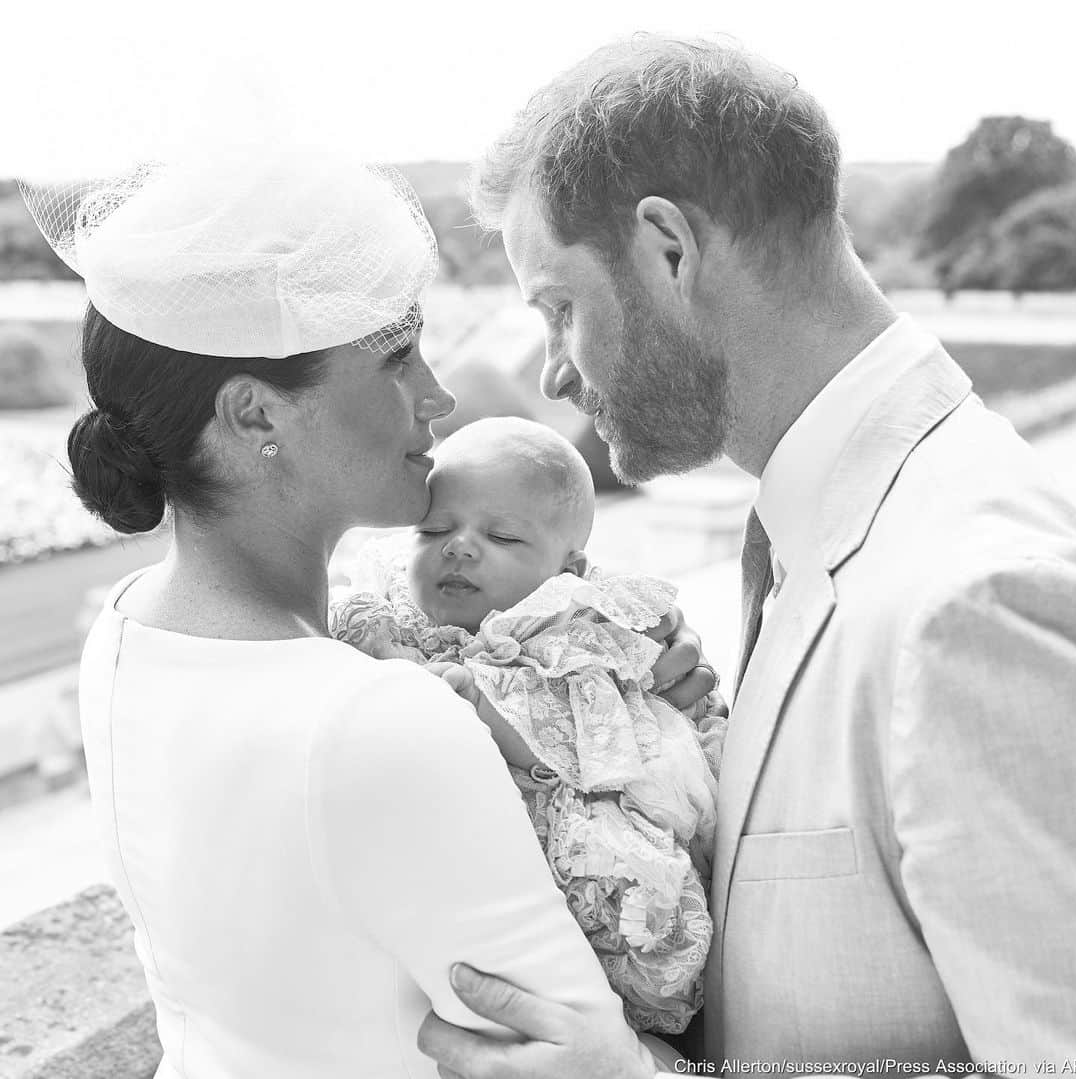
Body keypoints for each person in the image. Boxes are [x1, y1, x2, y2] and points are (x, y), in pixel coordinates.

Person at [416, 34, 1076, 1076]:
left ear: (668, 249)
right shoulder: (835, 530)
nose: (549, 373)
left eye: (559, 307)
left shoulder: (973, 597)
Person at [22, 151, 712, 1076]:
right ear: (254, 413)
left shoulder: (127, 628)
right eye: (396, 360)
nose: (437, 395)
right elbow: (592, 1053)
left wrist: (603, 667)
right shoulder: (385, 715)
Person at [331, 417, 729, 1035]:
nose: (459, 546)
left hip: (566, 832)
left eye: (503, 536)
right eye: (435, 528)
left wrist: (473, 702)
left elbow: (574, 733)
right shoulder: (387, 611)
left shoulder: (566, 632)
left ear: (568, 568)